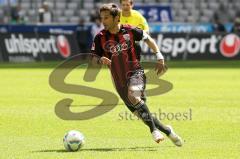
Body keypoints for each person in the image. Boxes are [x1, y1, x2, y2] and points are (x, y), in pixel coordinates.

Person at [91, 3, 183, 146]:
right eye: (102, 18)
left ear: (117, 18)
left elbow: (148, 39)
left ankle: (154, 131)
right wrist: (100, 59)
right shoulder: (100, 37)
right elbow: (93, 58)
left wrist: (159, 56)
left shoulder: (130, 31)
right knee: (141, 113)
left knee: (133, 96)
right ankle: (168, 131)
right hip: (118, 81)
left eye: (107, 18)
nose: (103, 21)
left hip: (136, 72)